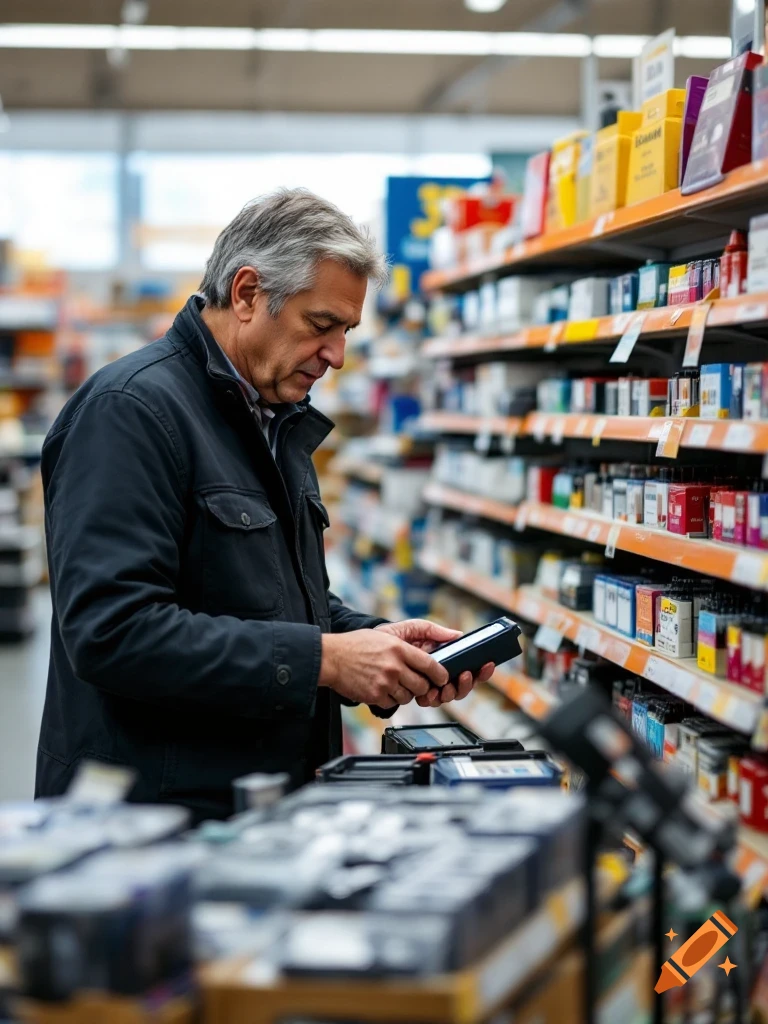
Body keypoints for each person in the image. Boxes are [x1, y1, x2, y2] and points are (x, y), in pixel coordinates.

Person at [36, 188, 494, 821]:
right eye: (321, 325)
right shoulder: (131, 413)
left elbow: (266, 593)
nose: (337, 355)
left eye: (347, 331)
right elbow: (112, 631)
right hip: (154, 826)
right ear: (248, 293)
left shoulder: (272, 415)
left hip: (261, 810)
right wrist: (326, 661)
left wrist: (371, 642)